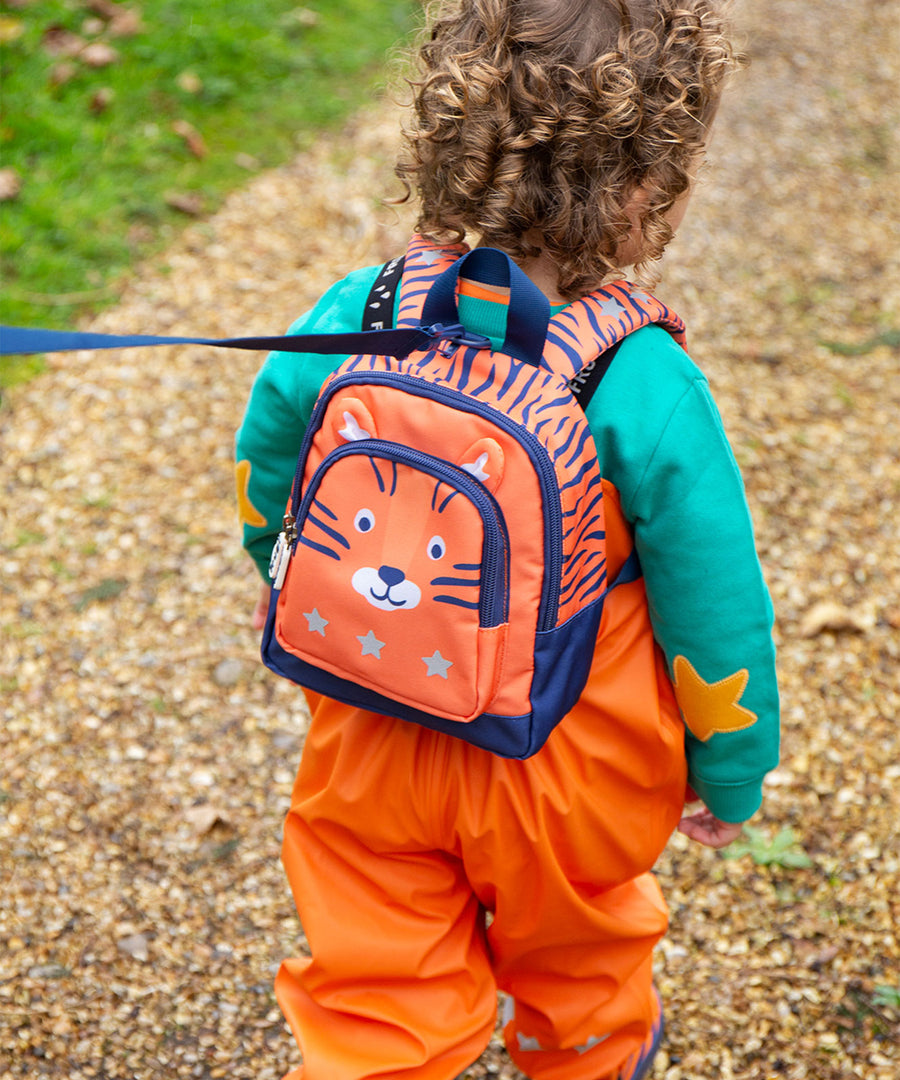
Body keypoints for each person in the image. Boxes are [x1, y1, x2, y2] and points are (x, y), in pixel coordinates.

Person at [234, 2, 779, 1078]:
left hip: (372, 733)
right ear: (649, 185)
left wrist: (304, 595)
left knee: (378, 973)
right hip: (567, 765)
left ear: (449, 140)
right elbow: (714, 605)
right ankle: (579, 1054)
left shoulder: (364, 306)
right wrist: (731, 767)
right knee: (579, 952)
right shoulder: (640, 377)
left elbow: (267, 480)